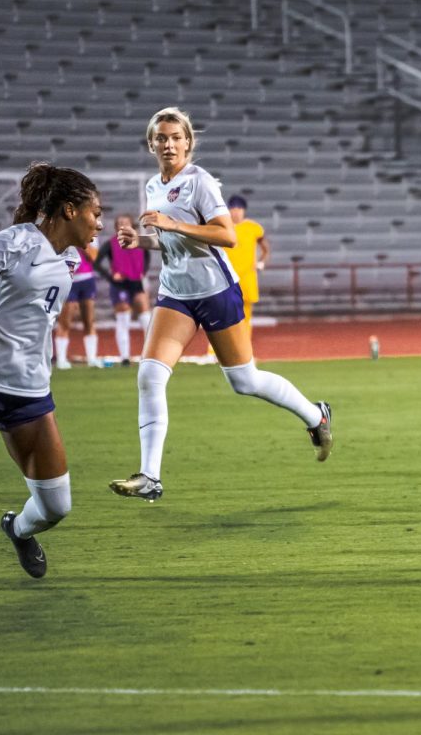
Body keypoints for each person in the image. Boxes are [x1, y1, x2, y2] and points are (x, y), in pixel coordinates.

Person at [108, 107, 333, 503]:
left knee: (244, 381)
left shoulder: (200, 182)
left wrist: (172, 224)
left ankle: (316, 416)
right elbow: (173, 241)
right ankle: (150, 476)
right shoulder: (152, 185)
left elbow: (227, 235)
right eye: (161, 138)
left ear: (188, 142)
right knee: (149, 376)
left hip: (215, 291)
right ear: (151, 144)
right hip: (176, 293)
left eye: (176, 137)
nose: (169, 144)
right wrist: (143, 241)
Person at [0, 163, 103, 577]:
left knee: (56, 506)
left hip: (30, 393)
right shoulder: (12, 243)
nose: (99, 224)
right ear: (70, 210)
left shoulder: (69, 259)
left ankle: (17, 529)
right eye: (95, 213)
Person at [92, 213, 152, 365]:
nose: (123, 225)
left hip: (137, 283)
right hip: (120, 285)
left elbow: (147, 256)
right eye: (120, 223)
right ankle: (125, 357)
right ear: (116, 227)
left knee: (147, 318)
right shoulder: (110, 244)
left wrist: (143, 272)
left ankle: (149, 355)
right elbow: (97, 263)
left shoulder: (139, 241)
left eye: (126, 222)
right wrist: (111, 277)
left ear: (132, 225)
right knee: (123, 319)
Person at [223, 195, 268, 337]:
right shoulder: (223, 226)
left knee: (246, 316)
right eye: (233, 208)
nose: (236, 212)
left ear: (244, 210)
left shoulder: (253, 227)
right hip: (227, 278)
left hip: (247, 277)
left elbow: (265, 248)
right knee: (222, 314)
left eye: (239, 209)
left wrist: (261, 262)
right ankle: (215, 350)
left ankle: (245, 350)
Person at [53, 233, 99, 369]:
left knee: (89, 320)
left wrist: (80, 241)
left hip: (87, 279)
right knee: (65, 321)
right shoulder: (62, 231)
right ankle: (61, 359)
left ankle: (92, 358)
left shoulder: (90, 232)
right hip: (68, 279)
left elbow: (93, 256)